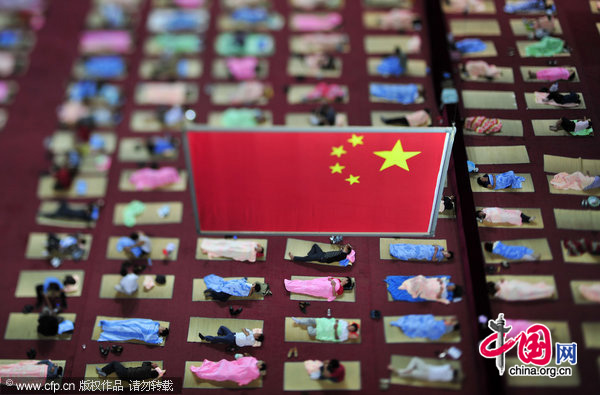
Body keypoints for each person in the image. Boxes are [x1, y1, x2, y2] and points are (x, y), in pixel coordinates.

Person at [385, 275, 462, 305]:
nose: (451, 286)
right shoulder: (446, 284)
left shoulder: (445, 294)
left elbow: (437, 297)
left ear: (452, 291)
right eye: (452, 286)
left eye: (452, 288)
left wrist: (441, 290)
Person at [190, 356, 266, 386]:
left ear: (260, 367)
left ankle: (202, 373)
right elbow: (242, 360)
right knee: (222, 363)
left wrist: (242, 381)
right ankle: (206, 368)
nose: (258, 362)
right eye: (259, 362)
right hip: (234, 366)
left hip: (236, 374)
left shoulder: (256, 373)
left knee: (220, 374)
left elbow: (249, 377)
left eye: (260, 364)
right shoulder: (253, 360)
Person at [203, 274, 271, 301]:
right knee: (222, 297)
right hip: (232, 288)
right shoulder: (249, 288)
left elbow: (248, 293)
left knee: (223, 297)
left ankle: (211, 294)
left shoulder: (250, 289)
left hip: (233, 289)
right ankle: (211, 292)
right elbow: (246, 292)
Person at [98, 319, 169, 345]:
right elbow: (148, 321)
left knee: (121, 329)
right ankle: (106, 325)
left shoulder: (154, 335)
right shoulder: (156, 324)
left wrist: (158, 340)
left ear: (161, 331)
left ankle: (106, 329)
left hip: (136, 331)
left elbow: (148, 339)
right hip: (136, 323)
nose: (162, 326)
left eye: (163, 328)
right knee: (122, 324)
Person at [388, 357, 459, 383]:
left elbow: (448, 366)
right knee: (412, 373)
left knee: (415, 360)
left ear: (452, 371)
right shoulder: (449, 379)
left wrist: (451, 368)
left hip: (428, 370)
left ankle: (399, 371)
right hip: (428, 377)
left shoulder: (447, 368)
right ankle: (403, 371)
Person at [390, 315, 459, 341]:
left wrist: (451, 320)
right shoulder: (450, 329)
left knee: (417, 324)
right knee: (417, 324)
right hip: (434, 329)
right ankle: (401, 324)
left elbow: (444, 322)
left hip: (432, 327)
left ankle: (400, 324)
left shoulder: (449, 327)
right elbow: (444, 321)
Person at [284, 276, 354, 301]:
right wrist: (331, 279)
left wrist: (333, 286)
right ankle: (289, 283)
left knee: (305, 288)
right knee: (304, 282)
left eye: (345, 278)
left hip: (320, 290)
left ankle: (289, 288)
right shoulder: (338, 280)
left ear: (346, 282)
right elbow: (329, 278)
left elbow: (334, 295)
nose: (344, 278)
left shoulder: (341, 290)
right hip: (319, 283)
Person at [291, 317, 359, 342]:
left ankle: (309, 325)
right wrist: (336, 323)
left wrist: (335, 330)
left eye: (352, 329)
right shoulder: (345, 323)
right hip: (326, 323)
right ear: (350, 325)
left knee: (311, 333)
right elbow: (337, 320)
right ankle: (299, 321)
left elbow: (337, 338)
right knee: (311, 319)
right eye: (351, 327)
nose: (350, 328)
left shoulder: (346, 335)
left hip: (326, 332)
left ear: (352, 331)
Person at [487, 279, 556, 301]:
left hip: (518, 288)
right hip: (518, 291)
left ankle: (545, 290)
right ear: (495, 290)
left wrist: (503, 282)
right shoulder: (501, 293)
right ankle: (547, 292)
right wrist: (506, 283)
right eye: (496, 285)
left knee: (532, 287)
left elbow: (502, 283)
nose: (497, 284)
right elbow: (511, 289)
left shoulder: (498, 288)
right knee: (532, 291)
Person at [200, 239, 264, 262]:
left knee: (225, 249)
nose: (258, 249)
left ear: (258, 251)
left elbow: (251, 257)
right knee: (224, 243)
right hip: (236, 245)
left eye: (259, 250)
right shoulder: (254, 244)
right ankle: (208, 245)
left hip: (237, 251)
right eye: (259, 248)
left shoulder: (252, 253)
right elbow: (248, 243)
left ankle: (209, 249)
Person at [198, 326, 264, 348]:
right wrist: (246, 332)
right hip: (233, 334)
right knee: (222, 327)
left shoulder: (252, 341)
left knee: (217, 338)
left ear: (257, 337)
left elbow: (246, 333)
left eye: (258, 334)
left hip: (233, 340)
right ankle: (221, 338)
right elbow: (243, 329)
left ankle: (205, 338)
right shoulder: (251, 333)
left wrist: (246, 332)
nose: (257, 332)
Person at [96, 361, 162, 380]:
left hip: (125, 372)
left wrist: (151, 364)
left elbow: (144, 363)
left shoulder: (147, 369)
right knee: (115, 368)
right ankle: (105, 373)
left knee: (114, 363)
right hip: (125, 378)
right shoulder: (147, 376)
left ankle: (103, 371)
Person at [389, 243, 453, 262]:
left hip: (424, 254)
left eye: (447, 256)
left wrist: (435, 252)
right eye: (448, 254)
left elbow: (433, 260)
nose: (446, 255)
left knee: (409, 254)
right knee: (409, 246)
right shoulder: (441, 247)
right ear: (447, 251)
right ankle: (395, 247)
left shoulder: (441, 258)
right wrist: (436, 246)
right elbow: (433, 244)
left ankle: (394, 252)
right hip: (424, 248)